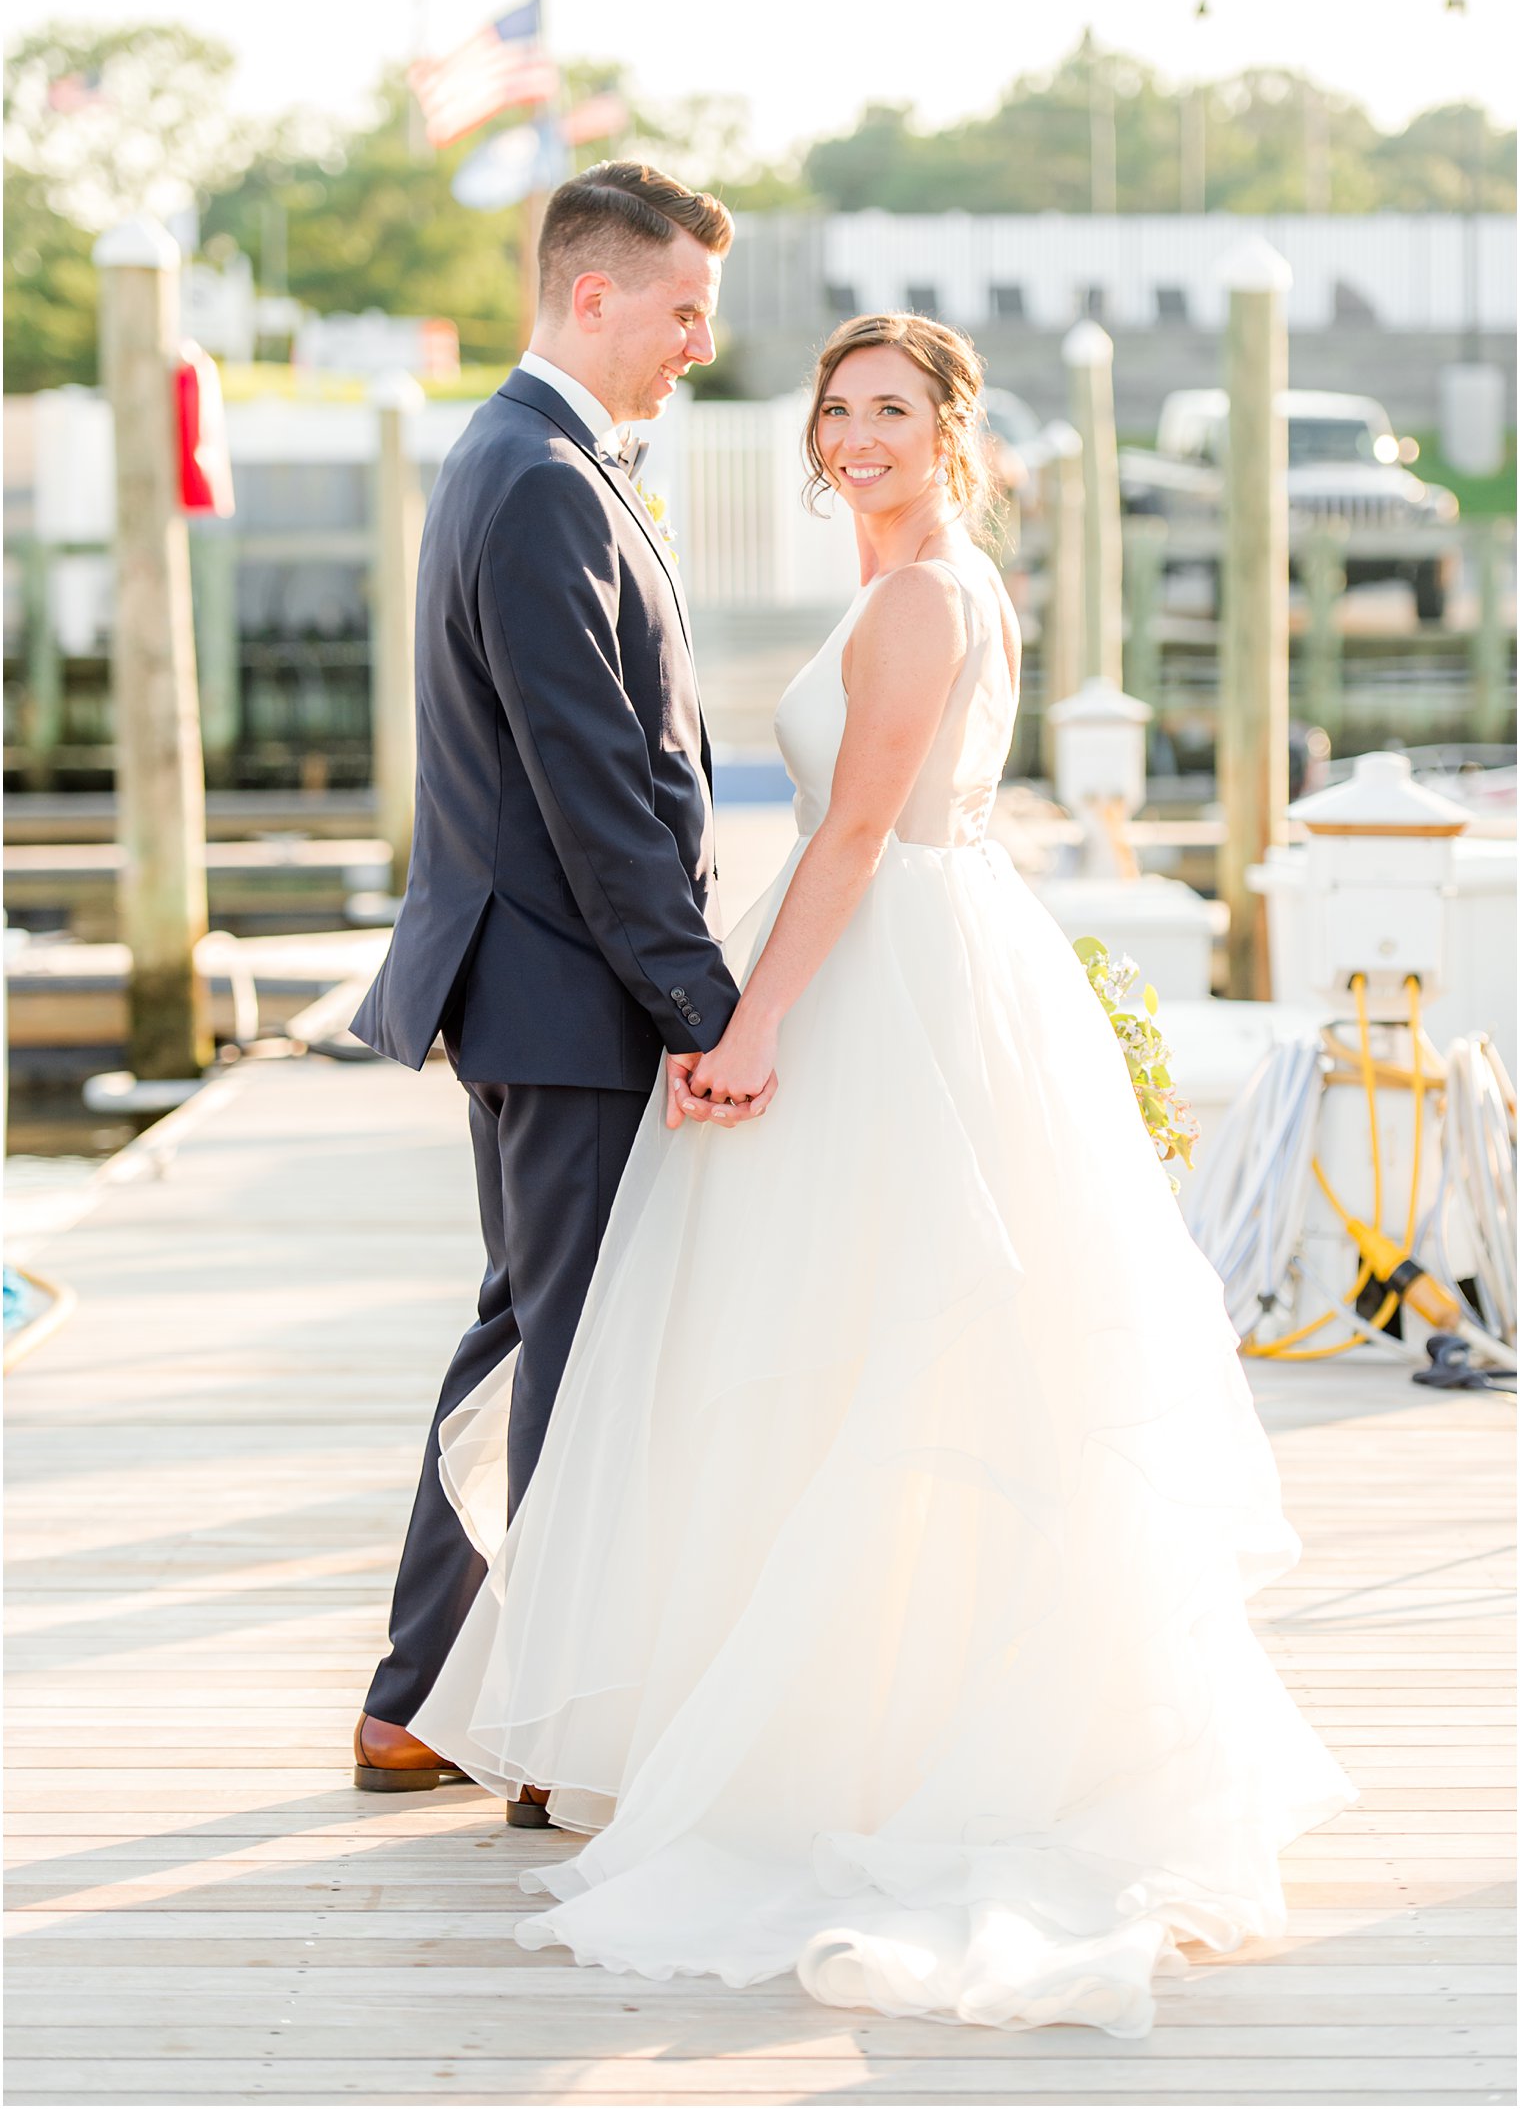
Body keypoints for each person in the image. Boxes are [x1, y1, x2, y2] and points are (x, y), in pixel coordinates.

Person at [411, 311, 1358, 2036]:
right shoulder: (894, 580)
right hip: (860, 956)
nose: (858, 435)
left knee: (906, 1342)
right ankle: (821, 1705)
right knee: (817, 1353)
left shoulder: (929, 595)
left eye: (893, 411)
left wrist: (750, 1022)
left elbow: (859, 828)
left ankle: (900, 1741)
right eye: (840, 409)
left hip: (892, 972)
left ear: (953, 431)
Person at [348, 163, 773, 1807]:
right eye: (681, 310)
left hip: (534, 987)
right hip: (566, 993)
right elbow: (592, 784)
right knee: (582, 1368)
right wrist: (702, 1007)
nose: (697, 343)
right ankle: (553, 1734)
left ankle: (417, 1705)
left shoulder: (539, 462)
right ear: (592, 296)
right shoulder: (537, 479)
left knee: (529, 1341)